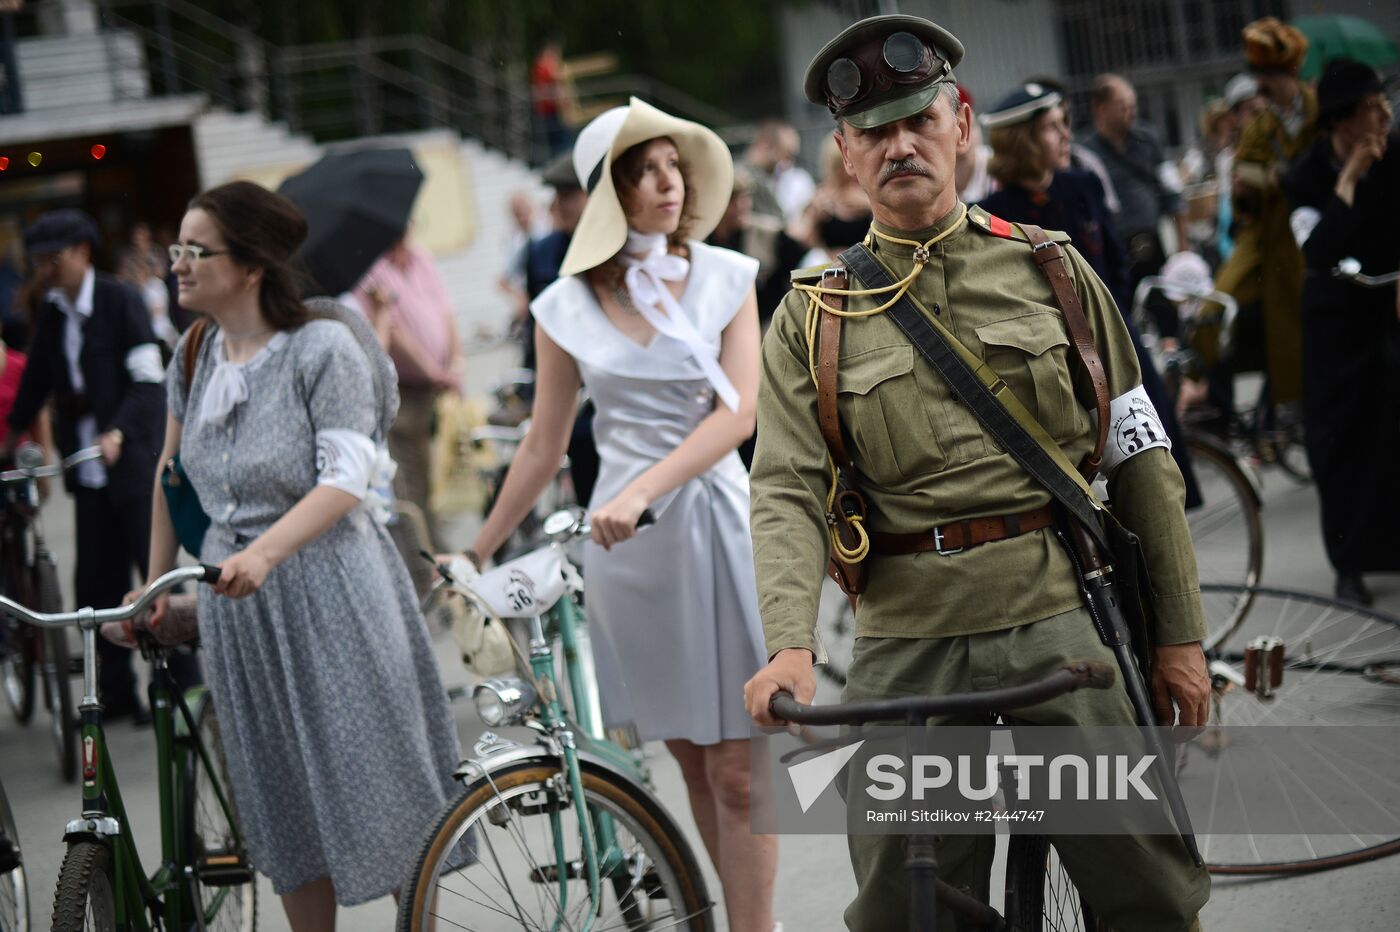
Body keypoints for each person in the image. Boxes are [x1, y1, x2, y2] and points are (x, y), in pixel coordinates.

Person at [742, 14, 1210, 930]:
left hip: (1058, 622)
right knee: (899, 905)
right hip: (906, 639)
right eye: (874, 132)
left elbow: (1140, 454)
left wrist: (1180, 637)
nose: (900, 145)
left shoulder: (1056, 272)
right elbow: (786, 486)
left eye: (919, 120)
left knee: (1145, 891)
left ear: (961, 121)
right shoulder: (813, 316)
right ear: (844, 152)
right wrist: (789, 642)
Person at [463, 98, 777, 931]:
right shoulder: (561, 307)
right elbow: (542, 447)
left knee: (741, 769)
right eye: (647, 171)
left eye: (676, 166)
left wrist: (643, 487)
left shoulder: (726, 275)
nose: (670, 184)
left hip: (713, 525)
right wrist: (478, 547)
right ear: (610, 191)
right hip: (627, 555)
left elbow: (739, 413)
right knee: (693, 767)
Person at [142, 181, 461, 929]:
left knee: (379, 778)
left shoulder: (324, 345)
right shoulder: (194, 355)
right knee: (277, 793)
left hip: (333, 590)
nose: (177, 265)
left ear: (251, 265)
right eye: (175, 248)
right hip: (238, 608)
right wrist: (153, 587)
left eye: (196, 250)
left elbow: (346, 476)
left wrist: (267, 552)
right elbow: (170, 473)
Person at [4, 209, 196, 722]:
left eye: (54, 258)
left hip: (131, 464)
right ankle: (115, 694)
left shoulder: (120, 301)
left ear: (83, 251)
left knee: (154, 581)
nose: (46, 268)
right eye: (39, 260)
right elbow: (35, 386)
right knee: (95, 586)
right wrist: (9, 441)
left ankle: (182, 692)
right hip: (85, 471)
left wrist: (119, 431)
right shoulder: (51, 313)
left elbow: (147, 381)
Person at [976, 82, 1200, 508]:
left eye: (1065, 124)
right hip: (1057, 360)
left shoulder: (1082, 186)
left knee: (1151, 467)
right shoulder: (995, 210)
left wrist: (1115, 321)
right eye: (1052, 128)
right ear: (1023, 141)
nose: (1065, 136)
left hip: (1113, 341)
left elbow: (1115, 262)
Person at [1281, 59, 1400, 607]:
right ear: (1343, 121)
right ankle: (1348, 565)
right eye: (1371, 106)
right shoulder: (1305, 175)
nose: (1383, 114)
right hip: (1335, 317)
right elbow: (1318, 248)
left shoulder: (1397, 154)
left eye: (1383, 103)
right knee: (1341, 440)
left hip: (1390, 307)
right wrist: (1349, 178)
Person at [1212, 17, 1317, 410]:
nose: (1260, 84)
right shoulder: (1261, 128)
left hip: (1321, 243)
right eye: (1257, 73)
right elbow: (1244, 208)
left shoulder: (1321, 114)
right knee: (1214, 313)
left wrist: (1281, 177)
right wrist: (1246, 192)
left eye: (1266, 73)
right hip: (1274, 247)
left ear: (1289, 70)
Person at [352, 230, 463, 556]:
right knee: (414, 486)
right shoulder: (370, 270)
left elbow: (446, 309)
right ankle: (431, 561)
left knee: (443, 474)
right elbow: (389, 332)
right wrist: (431, 370)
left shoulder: (421, 257)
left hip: (439, 386)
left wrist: (455, 363)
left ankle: (440, 550)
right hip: (409, 388)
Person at [1080, 73, 1188, 293]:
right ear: (1100, 108)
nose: (1130, 112)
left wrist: (1183, 245)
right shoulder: (1083, 152)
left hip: (1153, 241)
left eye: (1132, 105)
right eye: (1121, 106)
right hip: (1111, 248)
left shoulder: (1148, 138)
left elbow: (1171, 191)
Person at [744, 119, 817, 224]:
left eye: (791, 156)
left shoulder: (799, 180)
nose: (786, 163)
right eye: (784, 153)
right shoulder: (746, 178)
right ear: (764, 144)